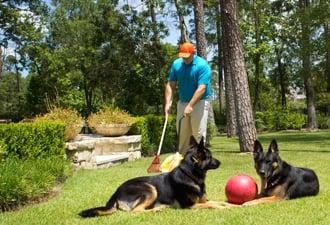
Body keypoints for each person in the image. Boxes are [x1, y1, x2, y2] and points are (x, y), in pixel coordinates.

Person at [164, 42, 212, 155]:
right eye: (183, 56)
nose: (185, 59)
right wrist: (167, 103)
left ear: (193, 53)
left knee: (198, 134)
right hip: (182, 102)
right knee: (183, 135)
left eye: (187, 56)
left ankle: (199, 162)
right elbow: (170, 84)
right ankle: (183, 163)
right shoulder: (177, 64)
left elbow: (202, 88)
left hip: (199, 103)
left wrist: (190, 105)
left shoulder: (202, 65)